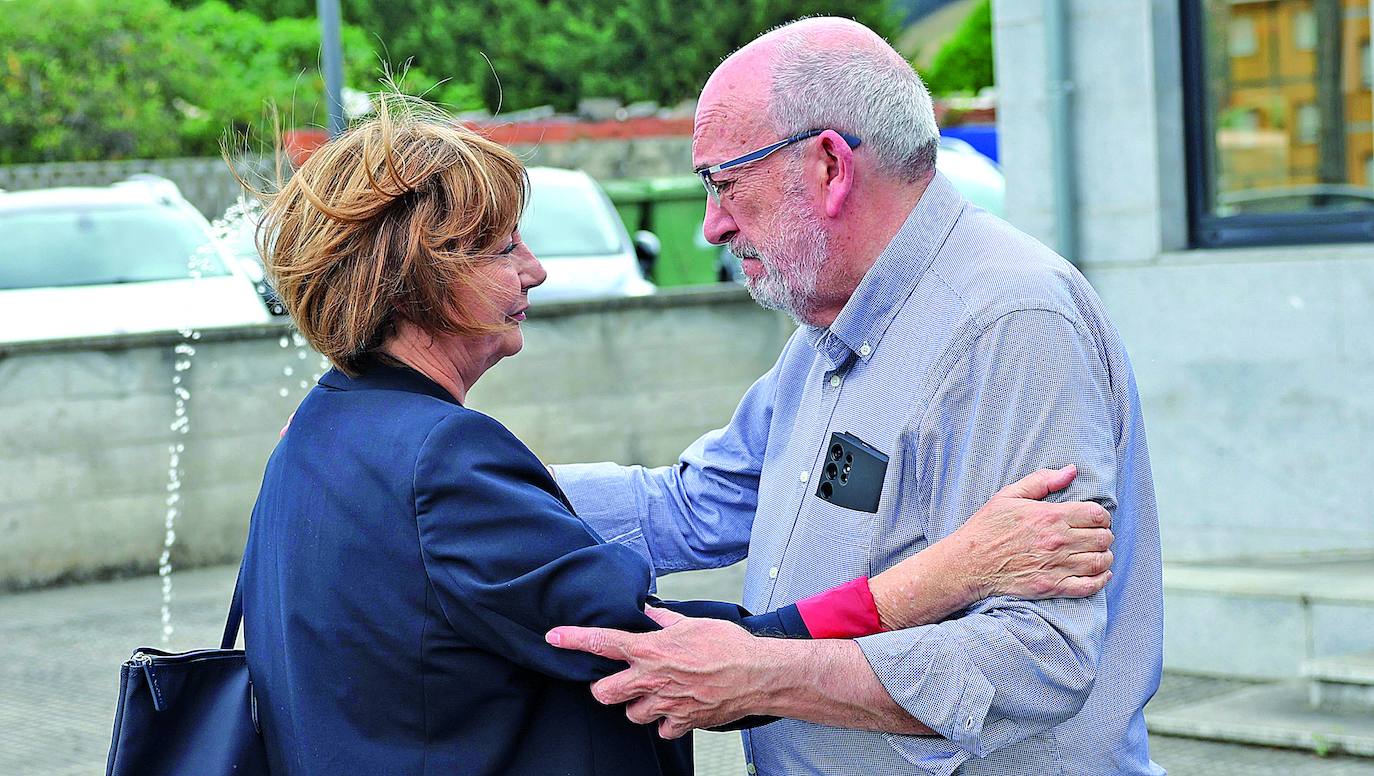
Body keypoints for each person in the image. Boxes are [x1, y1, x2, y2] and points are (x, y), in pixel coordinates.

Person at [239, 95, 1118, 776]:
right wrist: (945, 575)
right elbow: (690, 659)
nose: (535, 269)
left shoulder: (323, 437)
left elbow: (690, 502)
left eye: (726, 183)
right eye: (501, 248)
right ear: (413, 279)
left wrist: (505, 495)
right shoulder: (434, 461)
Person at [546, 17, 1165, 776]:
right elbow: (695, 506)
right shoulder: (830, 329)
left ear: (831, 166)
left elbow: (1038, 657)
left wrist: (761, 674)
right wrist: (473, 487)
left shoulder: (1009, 322)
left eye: (724, 181)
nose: (711, 225)